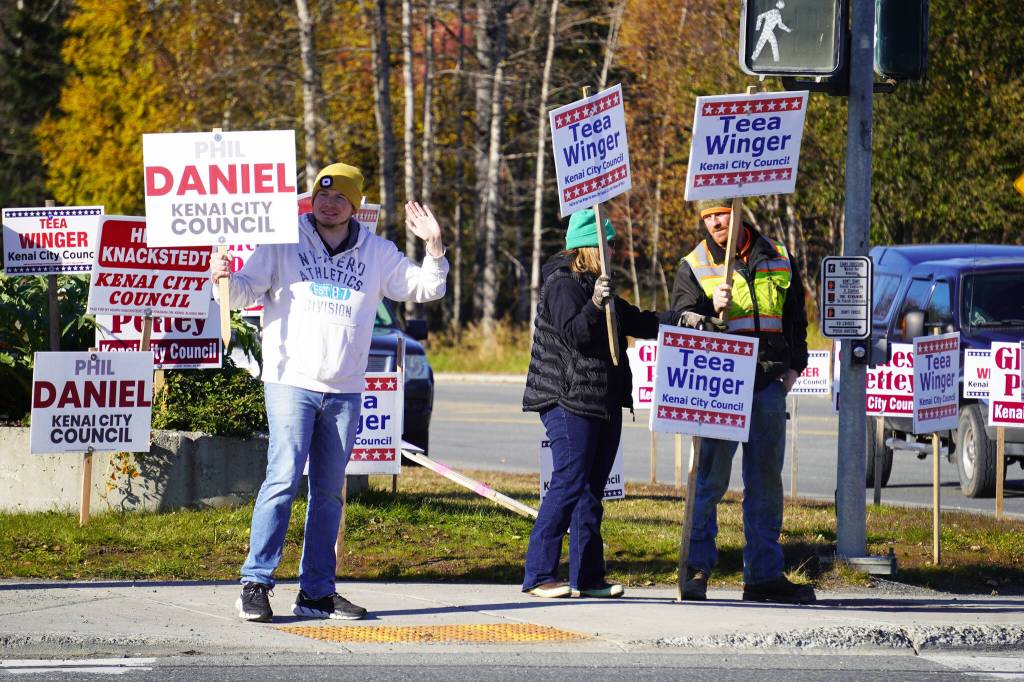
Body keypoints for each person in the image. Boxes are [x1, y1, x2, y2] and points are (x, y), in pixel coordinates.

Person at [211, 163, 448, 622]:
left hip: (344, 390)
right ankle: (255, 583)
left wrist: (434, 246)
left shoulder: (377, 252)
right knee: (281, 480)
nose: (328, 202)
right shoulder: (283, 240)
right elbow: (242, 293)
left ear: (354, 205)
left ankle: (316, 592)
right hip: (290, 381)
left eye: (339, 196)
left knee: (329, 494)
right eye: (322, 194)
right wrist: (221, 276)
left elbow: (427, 286)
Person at [521, 209, 679, 599]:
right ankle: (539, 575)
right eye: (607, 243)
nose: (612, 249)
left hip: (603, 401)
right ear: (590, 246)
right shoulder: (562, 282)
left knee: (593, 489)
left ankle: (588, 577)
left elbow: (639, 321)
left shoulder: (597, 284)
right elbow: (576, 333)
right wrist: (593, 303)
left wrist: (690, 317)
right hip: (567, 399)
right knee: (569, 482)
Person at [672, 197, 813, 604]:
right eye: (709, 216)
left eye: (722, 213)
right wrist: (708, 310)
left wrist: (795, 367)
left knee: (766, 483)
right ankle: (695, 571)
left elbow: (795, 317)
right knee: (710, 480)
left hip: (768, 381)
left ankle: (764, 576)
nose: (716, 222)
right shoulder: (695, 264)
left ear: (738, 212)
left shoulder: (778, 256)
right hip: (720, 384)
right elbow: (679, 317)